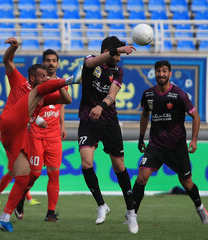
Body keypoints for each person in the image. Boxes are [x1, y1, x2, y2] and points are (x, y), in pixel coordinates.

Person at [0, 37, 82, 232]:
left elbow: (66, 100)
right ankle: (71, 78)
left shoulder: (43, 93)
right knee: (38, 93)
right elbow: (7, 61)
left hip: (19, 135)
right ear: (32, 78)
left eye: (47, 76)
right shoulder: (21, 82)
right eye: (42, 76)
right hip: (10, 122)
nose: (45, 79)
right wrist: (14, 48)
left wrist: (60, 84)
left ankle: (4, 217)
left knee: (25, 178)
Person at [132, 60, 208, 224]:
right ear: (154, 73)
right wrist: (141, 138)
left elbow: (195, 116)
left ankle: (200, 208)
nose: (161, 74)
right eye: (158, 71)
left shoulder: (179, 95)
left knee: (187, 183)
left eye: (164, 71)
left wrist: (194, 140)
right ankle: (132, 216)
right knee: (141, 178)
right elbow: (145, 114)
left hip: (176, 146)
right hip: (155, 145)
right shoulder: (148, 94)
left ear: (170, 73)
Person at [77, 36, 138, 234]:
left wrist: (101, 106)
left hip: (109, 121)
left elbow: (112, 94)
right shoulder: (90, 60)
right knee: (86, 163)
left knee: (119, 166)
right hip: (88, 121)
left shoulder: (118, 71)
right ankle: (101, 205)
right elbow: (91, 63)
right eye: (117, 54)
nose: (119, 58)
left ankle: (130, 211)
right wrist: (115, 50)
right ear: (108, 51)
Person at [25, 49, 70, 222]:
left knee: (54, 173)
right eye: (48, 60)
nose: (51, 63)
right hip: (36, 133)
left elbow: (62, 105)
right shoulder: (36, 83)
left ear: (58, 64)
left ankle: (51, 213)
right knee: (35, 174)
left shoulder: (61, 83)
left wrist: (62, 125)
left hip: (53, 135)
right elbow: (26, 105)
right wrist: (35, 119)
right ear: (43, 63)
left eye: (54, 60)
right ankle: (21, 196)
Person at [0, 127, 41, 206]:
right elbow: (0, 126)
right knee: (19, 172)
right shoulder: (9, 115)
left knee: (12, 173)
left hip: (19, 144)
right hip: (12, 145)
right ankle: (29, 198)